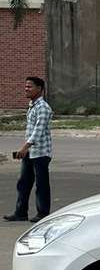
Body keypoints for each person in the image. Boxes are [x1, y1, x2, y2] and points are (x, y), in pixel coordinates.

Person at [4, 77, 53, 223]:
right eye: (25, 86)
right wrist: (25, 148)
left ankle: (43, 213)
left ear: (39, 89)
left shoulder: (43, 108)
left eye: (30, 86)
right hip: (30, 152)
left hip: (41, 152)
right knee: (24, 182)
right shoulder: (32, 105)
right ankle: (20, 213)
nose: (26, 89)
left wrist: (25, 147)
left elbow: (38, 130)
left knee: (41, 184)